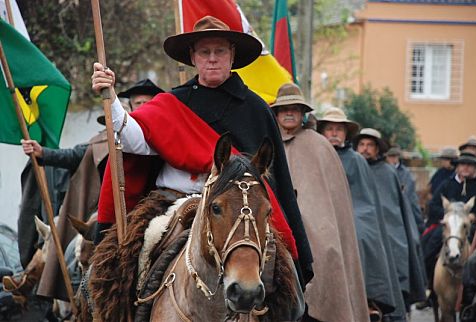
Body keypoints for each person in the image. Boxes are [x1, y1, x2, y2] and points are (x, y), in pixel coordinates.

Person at [92, 15, 313, 288]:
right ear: (193, 58)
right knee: (126, 262)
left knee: (280, 277)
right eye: (204, 52)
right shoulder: (170, 103)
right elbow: (133, 139)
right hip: (173, 204)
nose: (212, 58)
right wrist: (110, 96)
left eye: (220, 51)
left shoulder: (256, 109)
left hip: (240, 209)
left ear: (232, 56)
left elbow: (272, 179)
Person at [18, 79, 163, 301]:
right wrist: (43, 152)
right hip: (107, 214)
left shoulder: (163, 133)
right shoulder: (104, 140)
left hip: (150, 210)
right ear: (130, 107)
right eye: (138, 102)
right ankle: (70, 297)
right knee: (64, 248)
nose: (142, 107)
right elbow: (73, 156)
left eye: (147, 102)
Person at [271, 84, 368, 321]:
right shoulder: (267, 142)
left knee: (326, 257)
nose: (289, 113)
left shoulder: (318, 145)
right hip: (275, 227)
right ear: (276, 113)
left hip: (316, 233)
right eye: (284, 109)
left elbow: (329, 202)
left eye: (295, 108)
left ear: (303, 112)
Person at [318, 107, 403, 321]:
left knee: (363, 234)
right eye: (330, 129)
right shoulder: (314, 154)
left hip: (354, 212)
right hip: (318, 213)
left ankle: (368, 299)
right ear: (323, 132)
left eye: (339, 129)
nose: (334, 133)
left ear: (346, 133)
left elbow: (365, 198)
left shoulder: (356, 160)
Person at [354, 128, 427, 318]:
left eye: (370, 145)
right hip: (361, 238)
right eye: (362, 144)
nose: (365, 149)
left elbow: (395, 211)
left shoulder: (387, 173)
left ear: (378, 149)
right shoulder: (353, 168)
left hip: (390, 236)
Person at [422, 152, 476, 300]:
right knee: (428, 247)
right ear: (457, 167)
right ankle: (430, 286)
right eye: (463, 164)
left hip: (472, 226)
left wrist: (473, 216)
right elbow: (433, 205)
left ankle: (472, 288)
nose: (466, 167)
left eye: (470, 165)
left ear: (475, 168)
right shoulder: (447, 184)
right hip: (448, 225)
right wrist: (447, 216)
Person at [385, 145, 424, 233]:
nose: (393, 159)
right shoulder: (384, 170)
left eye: (394, 156)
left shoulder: (405, 173)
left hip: (404, 206)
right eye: (390, 156)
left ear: (398, 157)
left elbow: (407, 193)